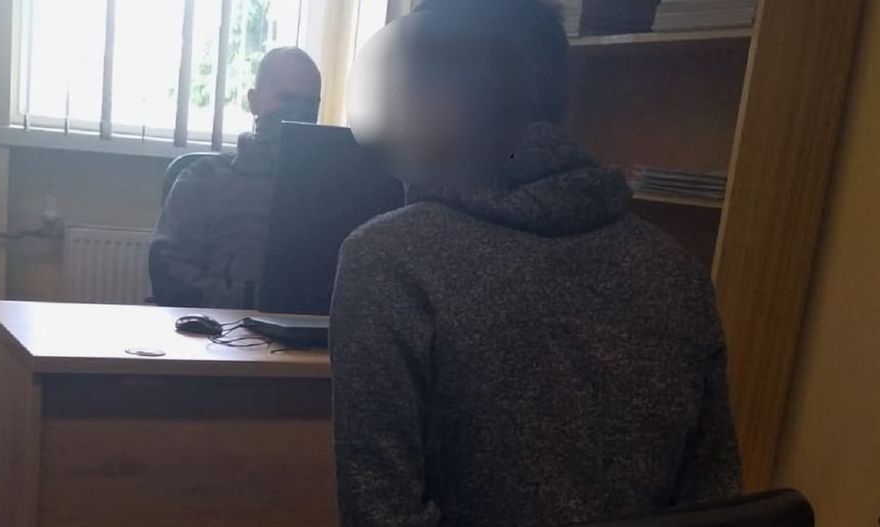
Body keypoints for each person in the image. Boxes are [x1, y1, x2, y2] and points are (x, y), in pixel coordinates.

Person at [331, 2, 742, 526]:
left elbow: (379, 514)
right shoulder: (679, 273)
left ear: (439, 101)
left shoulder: (388, 260)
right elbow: (715, 499)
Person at [150, 47, 322, 308]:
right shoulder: (202, 178)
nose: (298, 112)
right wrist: (252, 300)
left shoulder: (335, 189)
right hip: (221, 324)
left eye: (310, 104)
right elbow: (169, 273)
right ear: (254, 101)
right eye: (285, 98)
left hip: (314, 327)